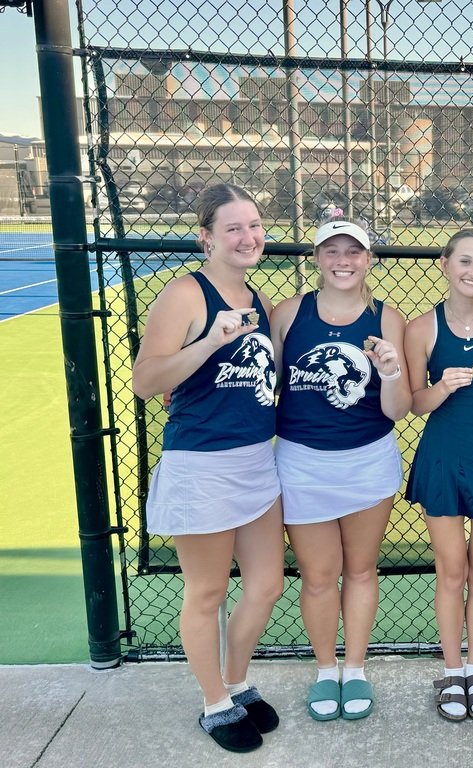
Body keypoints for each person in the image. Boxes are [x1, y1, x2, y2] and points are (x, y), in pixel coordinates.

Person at [132, 183, 282, 753]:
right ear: (207, 238)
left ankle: (237, 682)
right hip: (201, 463)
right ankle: (213, 702)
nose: (248, 237)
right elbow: (148, 382)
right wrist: (210, 342)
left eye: (254, 225)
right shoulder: (186, 295)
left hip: (255, 462)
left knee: (266, 585)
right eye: (233, 228)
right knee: (208, 590)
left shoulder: (257, 298)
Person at [271, 218, 411, 722]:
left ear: (368, 259)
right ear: (317, 259)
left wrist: (392, 371)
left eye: (353, 251)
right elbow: (265, 384)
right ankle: (325, 668)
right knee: (318, 576)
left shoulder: (387, 319)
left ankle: (355, 668)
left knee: (360, 569)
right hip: (301, 462)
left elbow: (399, 408)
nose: (343, 260)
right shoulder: (289, 313)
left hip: (367, 459)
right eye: (332, 250)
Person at [404, 229, 473, 722]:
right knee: (451, 571)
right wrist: (442, 387)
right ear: (445, 264)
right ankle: (452, 672)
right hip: (443, 456)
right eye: (466, 262)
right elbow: (412, 403)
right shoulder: (420, 328)